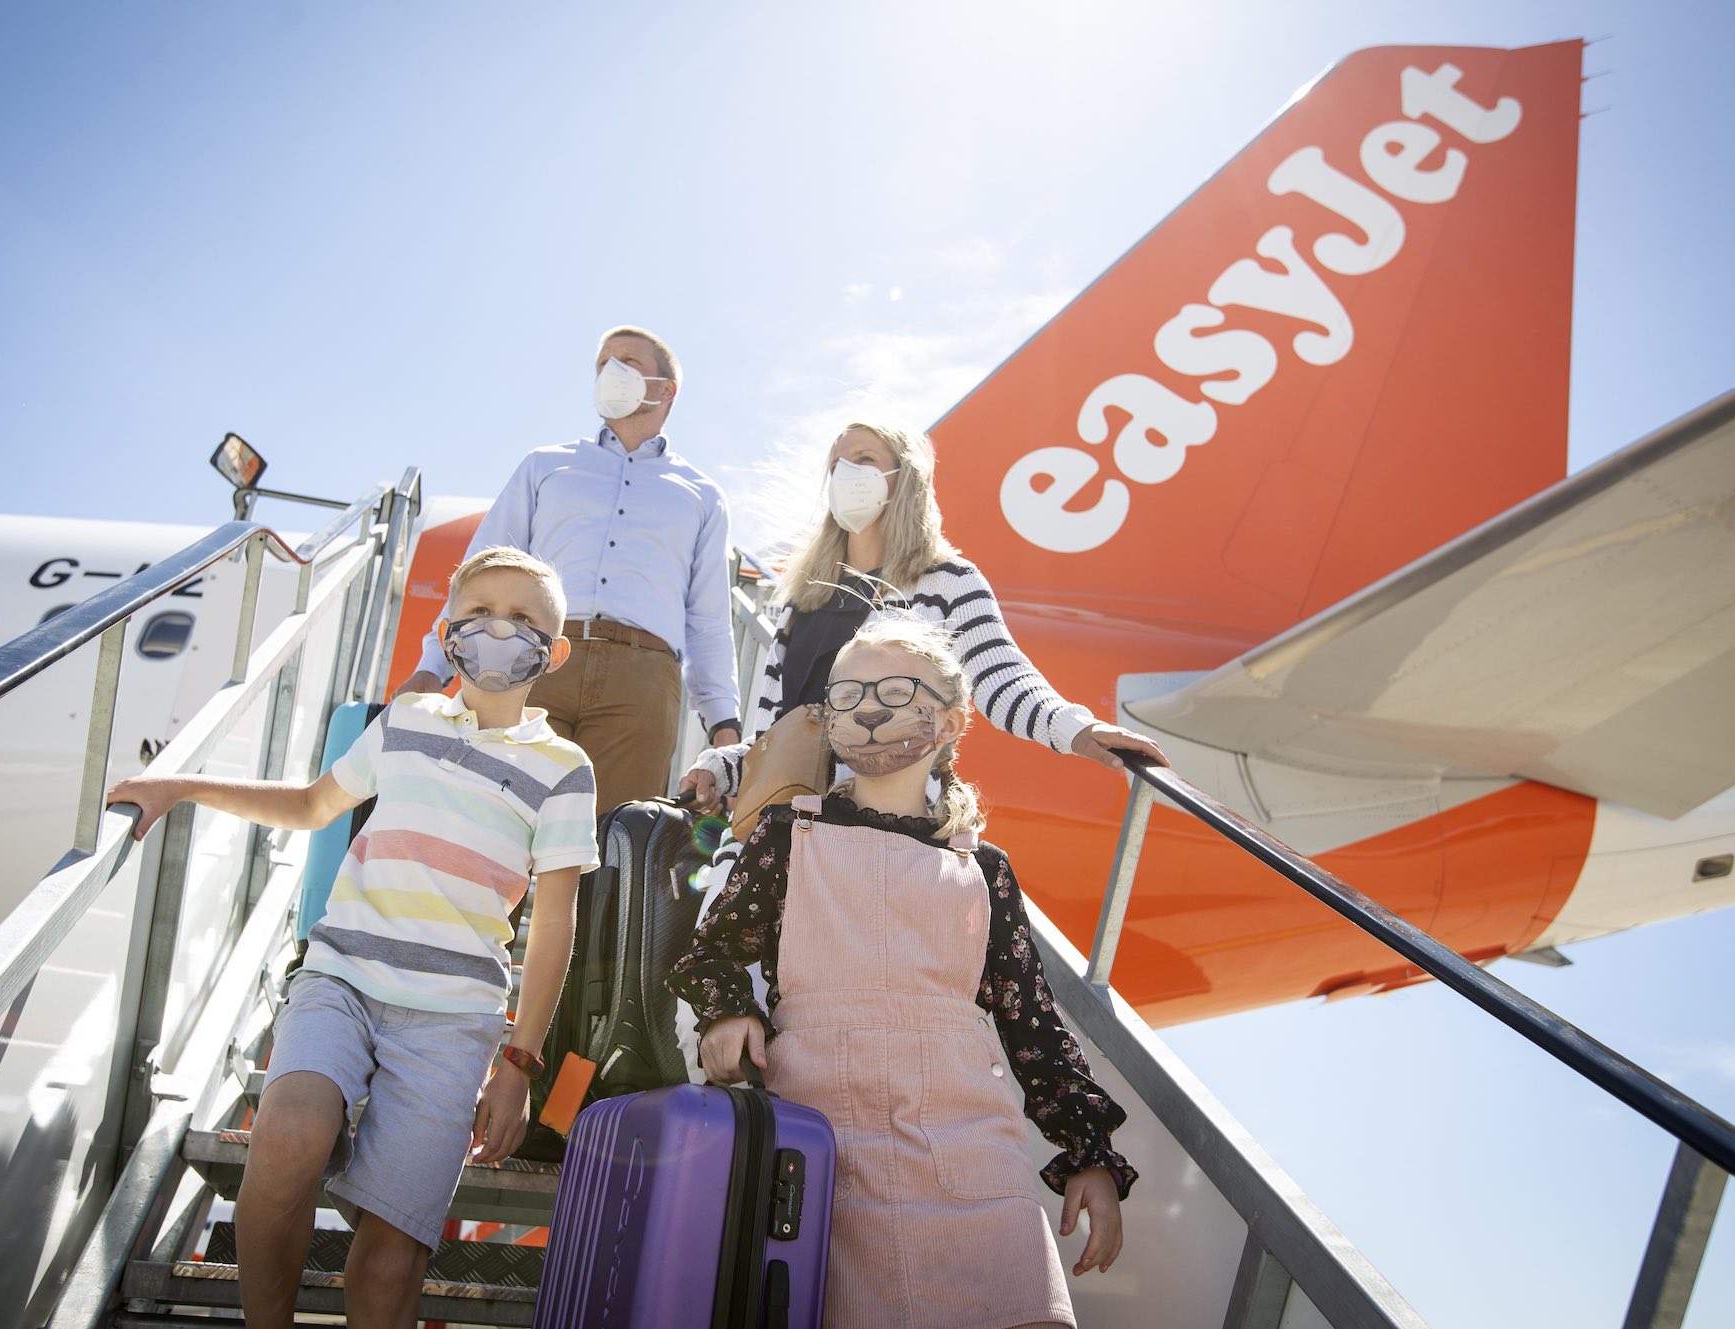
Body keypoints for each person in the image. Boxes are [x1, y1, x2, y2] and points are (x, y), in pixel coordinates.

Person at [107, 547, 598, 1329]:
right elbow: (310, 806)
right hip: (342, 980)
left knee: (385, 1269)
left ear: (555, 648)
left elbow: (555, 928)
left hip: (452, 1020)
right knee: (291, 1132)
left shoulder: (564, 768)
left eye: (525, 619)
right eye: (479, 614)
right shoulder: (403, 724)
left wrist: (519, 1062)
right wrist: (182, 785)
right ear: (448, 633)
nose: (500, 629)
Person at [669, 616, 1130, 1329]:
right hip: (827, 1142)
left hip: (971, 1142)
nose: (867, 709)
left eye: (890, 690)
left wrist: (1088, 1153)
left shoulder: (985, 869)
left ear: (949, 720)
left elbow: (1030, 1022)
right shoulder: (788, 833)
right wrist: (730, 1009)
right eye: (847, 694)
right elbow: (714, 950)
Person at [678, 421, 1163, 818]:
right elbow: (776, 736)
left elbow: (1001, 678)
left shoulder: (947, 580)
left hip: (880, 829)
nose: (846, 472)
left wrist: (1075, 728)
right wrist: (719, 768)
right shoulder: (803, 598)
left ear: (903, 477)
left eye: (864, 459)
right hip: (776, 831)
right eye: (836, 464)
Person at [393, 325, 741, 816]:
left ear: (666, 390)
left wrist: (724, 725)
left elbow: (708, 622)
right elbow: (480, 572)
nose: (610, 371)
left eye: (627, 361)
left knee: (615, 844)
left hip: (644, 681)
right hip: (532, 657)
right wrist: (433, 667)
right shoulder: (543, 466)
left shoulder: (703, 496)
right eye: (602, 362)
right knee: (500, 824)